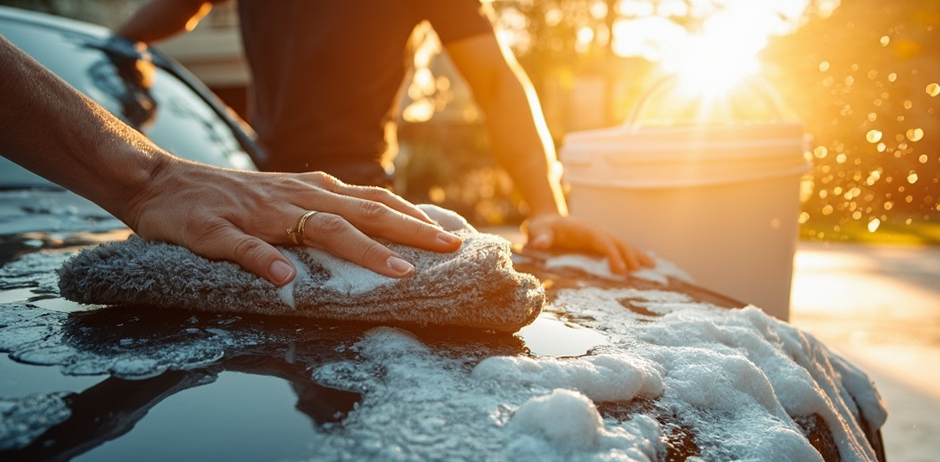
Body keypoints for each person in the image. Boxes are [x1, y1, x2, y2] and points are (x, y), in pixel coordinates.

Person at [0, 0, 466, 287]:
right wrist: (145, 166)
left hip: (309, 185)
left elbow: (169, 15)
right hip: (282, 180)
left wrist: (118, 50)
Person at [116, 0, 653, 274]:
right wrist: (117, 49)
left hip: (359, 201)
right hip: (253, 195)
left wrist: (547, 206)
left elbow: (496, 81)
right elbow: (170, 13)